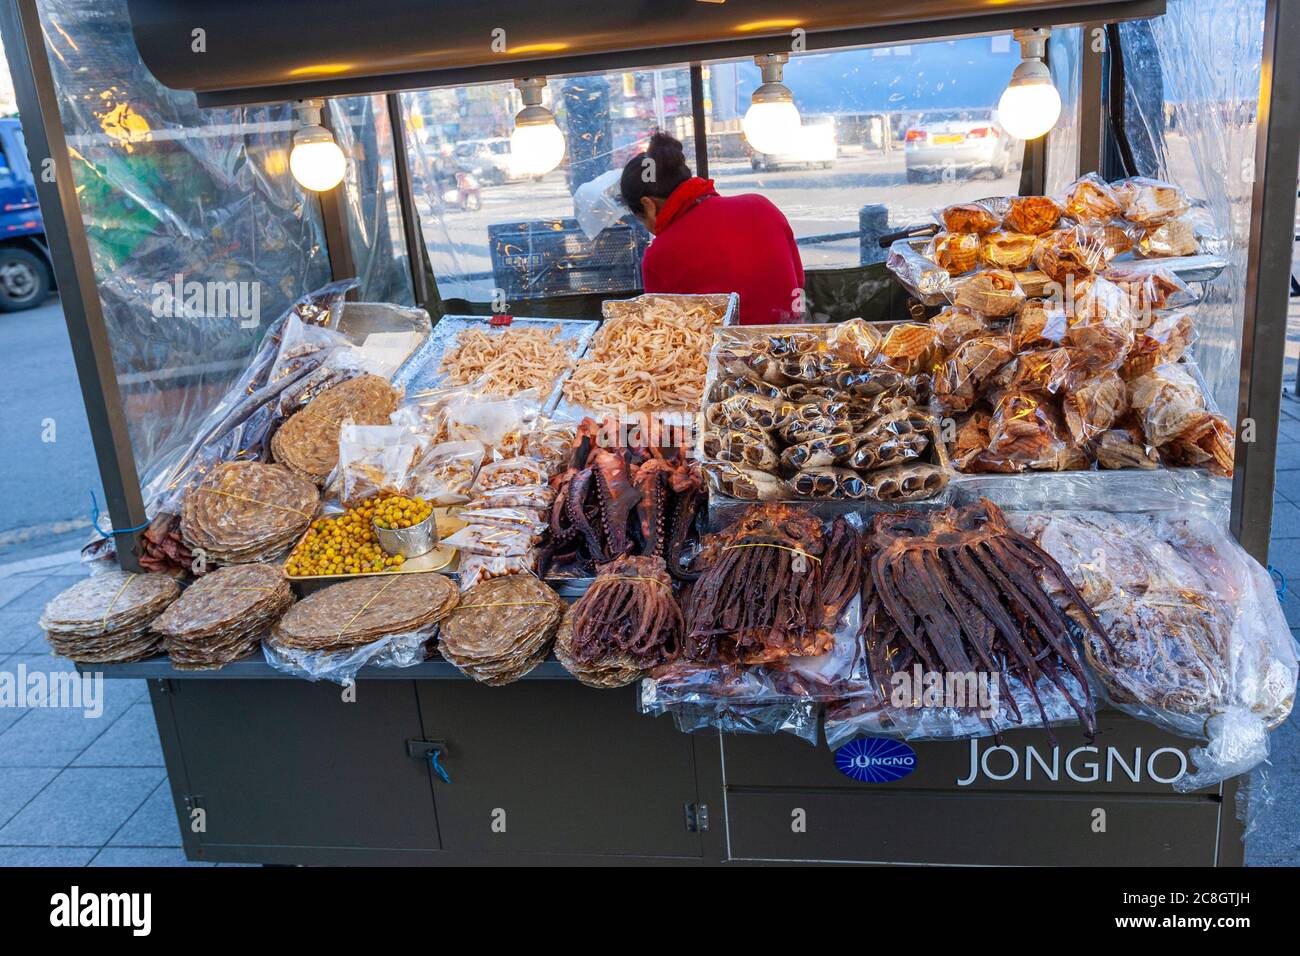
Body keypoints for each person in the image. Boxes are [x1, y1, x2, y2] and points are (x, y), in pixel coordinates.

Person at [620, 132, 804, 324]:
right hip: (792, 343)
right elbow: (798, 283)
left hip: (717, 353)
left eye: (641, 219)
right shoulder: (762, 206)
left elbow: (666, 334)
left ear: (648, 205)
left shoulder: (659, 255)